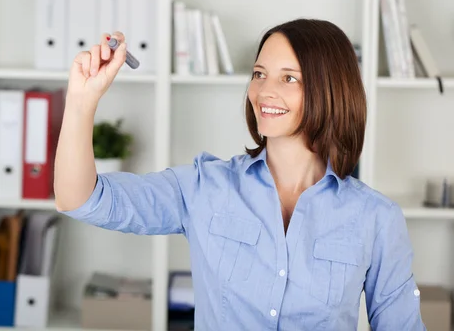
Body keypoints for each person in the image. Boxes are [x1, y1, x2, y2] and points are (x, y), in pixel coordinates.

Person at [53, 19, 425, 330]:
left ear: (331, 91)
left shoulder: (376, 218)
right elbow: (81, 199)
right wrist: (82, 101)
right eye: (259, 74)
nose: (264, 91)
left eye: (289, 79)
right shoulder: (205, 187)